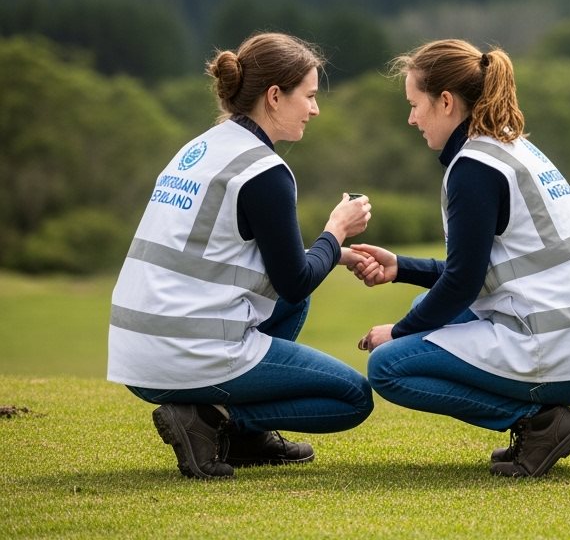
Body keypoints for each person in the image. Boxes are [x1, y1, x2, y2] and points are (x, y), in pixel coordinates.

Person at [348, 39, 570, 478]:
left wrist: (398, 332)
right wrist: (401, 268)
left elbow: (464, 281)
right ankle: (541, 423)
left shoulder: (473, 169)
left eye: (415, 104)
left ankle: (539, 424)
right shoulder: (509, 146)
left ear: (446, 102)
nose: (411, 118)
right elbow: (479, 270)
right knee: (422, 317)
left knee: (389, 366)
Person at [107, 32, 376, 479]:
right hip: (187, 351)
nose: (315, 109)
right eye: (308, 96)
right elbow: (294, 278)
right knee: (353, 398)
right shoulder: (265, 171)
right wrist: (337, 229)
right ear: (274, 96)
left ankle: (241, 438)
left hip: (136, 354)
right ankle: (219, 422)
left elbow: (272, 270)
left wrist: (336, 255)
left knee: (294, 301)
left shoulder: (201, 148)